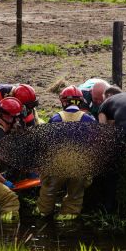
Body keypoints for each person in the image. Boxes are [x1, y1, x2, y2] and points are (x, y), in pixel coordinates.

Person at [37, 86, 97, 220]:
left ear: (63, 101)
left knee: (49, 190)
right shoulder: (89, 120)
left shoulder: (56, 119)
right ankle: (68, 216)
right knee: (75, 194)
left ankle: (43, 213)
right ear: (80, 102)